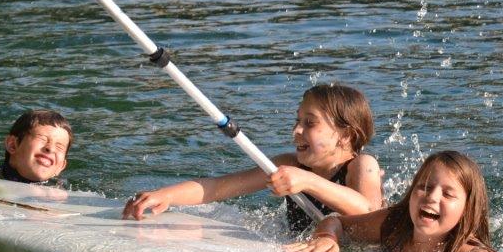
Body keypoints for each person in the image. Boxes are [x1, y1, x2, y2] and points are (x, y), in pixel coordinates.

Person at [122, 84, 383, 231]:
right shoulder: (289, 165)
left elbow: (370, 214)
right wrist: (166, 195)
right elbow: (219, 187)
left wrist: (308, 181)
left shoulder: (363, 166)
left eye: (310, 123)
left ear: (346, 135)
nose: (296, 131)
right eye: (297, 120)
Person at [285, 150, 503, 252]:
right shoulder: (394, 224)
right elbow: (336, 222)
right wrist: (327, 237)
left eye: (448, 194)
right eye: (424, 187)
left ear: (467, 209)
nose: (432, 198)